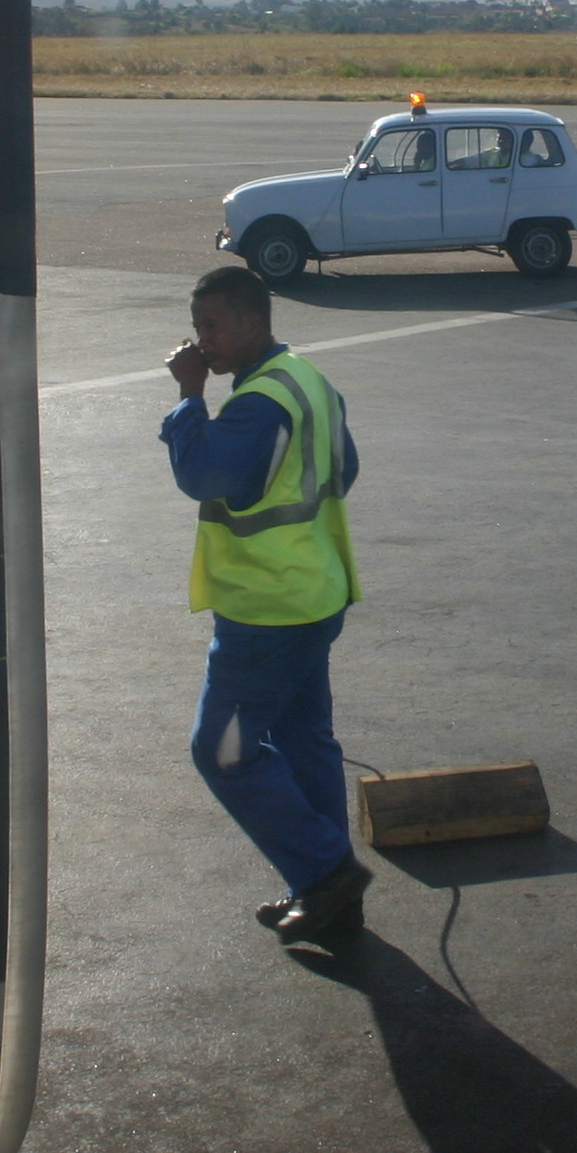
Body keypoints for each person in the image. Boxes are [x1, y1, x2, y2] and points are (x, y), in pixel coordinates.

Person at [161, 264, 371, 941]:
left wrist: (189, 398)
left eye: (212, 328)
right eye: (198, 330)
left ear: (253, 323)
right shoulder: (306, 379)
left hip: (266, 610)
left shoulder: (254, 405)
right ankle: (327, 889)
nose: (202, 343)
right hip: (316, 592)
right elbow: (348, 464)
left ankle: (326, 872)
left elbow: (204, 474)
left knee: (222, 752)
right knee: (303, 737)